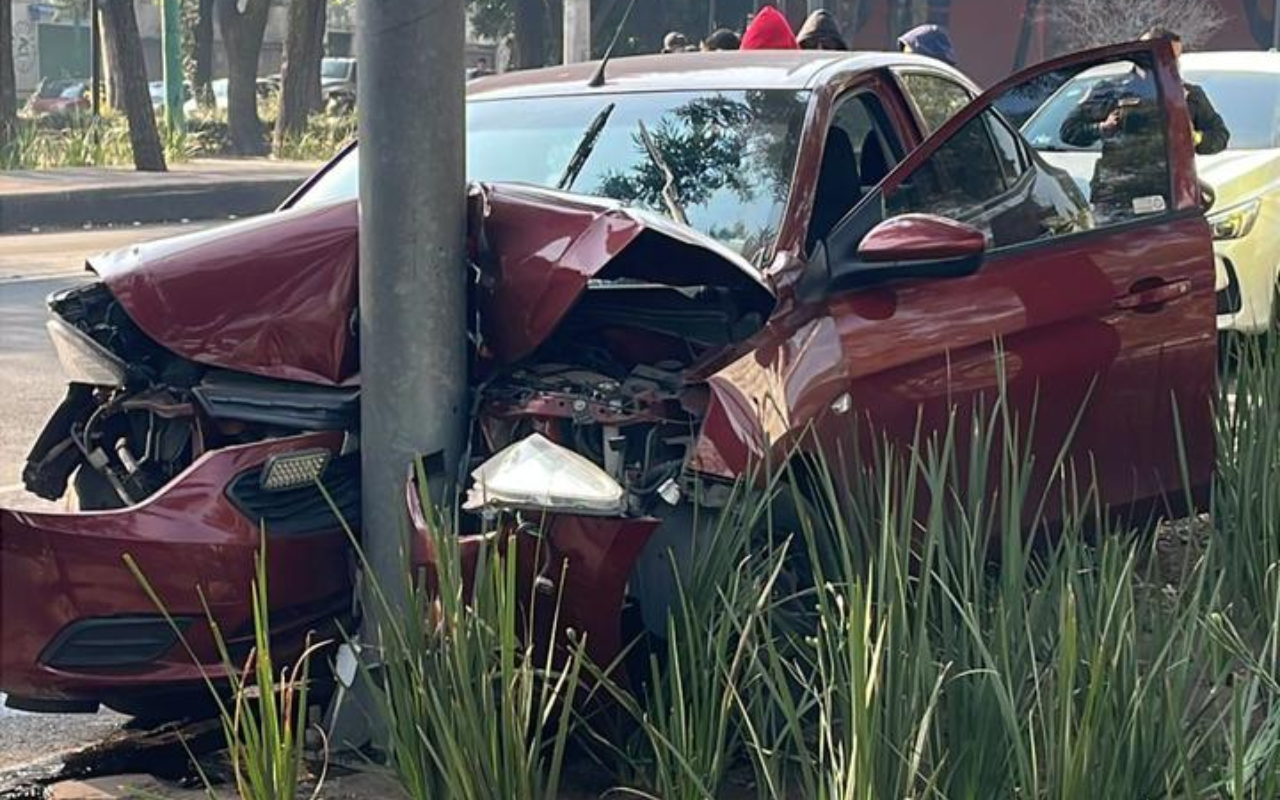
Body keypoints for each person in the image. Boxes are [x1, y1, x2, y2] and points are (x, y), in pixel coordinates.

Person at [1140, 26, 1229, 155]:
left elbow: (1220, 135)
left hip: (1173, 172)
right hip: (1122, 173)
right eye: (1170, 57)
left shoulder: (1190, 96)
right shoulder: (1118, 91)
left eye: (1177, 57)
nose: (1175, 63)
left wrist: (1195, 137)